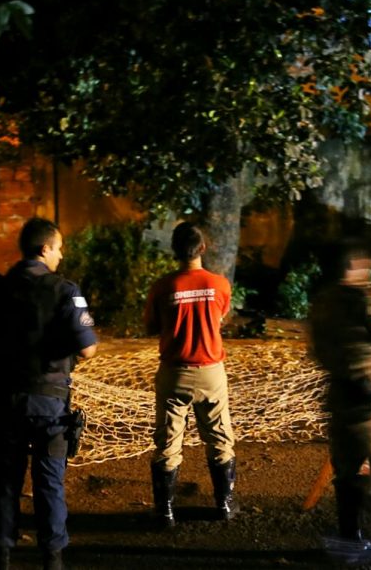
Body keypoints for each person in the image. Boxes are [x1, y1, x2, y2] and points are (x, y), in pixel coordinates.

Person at [0, 217, 98, 570]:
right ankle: (52, 555)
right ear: (44, 248)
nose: (61, 255)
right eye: (58, 248)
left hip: (8, 400)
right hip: (50, 404)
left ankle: (1, 551)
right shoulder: (65, 290)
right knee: (49, 480)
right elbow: (87, 349)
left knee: (6, 480)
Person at [307, 241, 371, 564]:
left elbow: (316, 349)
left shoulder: (322, 302)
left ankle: (349, 536)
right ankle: (353, 541)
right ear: (356, 266)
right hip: (367, 394)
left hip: (338, 393)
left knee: (347, 467)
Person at [143, 222, 237, 528]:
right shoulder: (220, 284)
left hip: (174, 373)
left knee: (168, 442)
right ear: (203, 248)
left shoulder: (162, 287)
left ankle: (165, 511)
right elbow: (220, 318)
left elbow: (151, 327)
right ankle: (224, 504)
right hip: (211, 372)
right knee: (220, 437)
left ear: (174, 250)